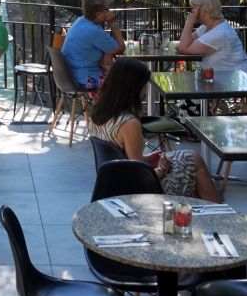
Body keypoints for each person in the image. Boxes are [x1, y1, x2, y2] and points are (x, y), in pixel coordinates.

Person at [87, 58, 222, 202]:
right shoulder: (128, 124)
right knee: (194, 161)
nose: (145, 90)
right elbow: (138, 178)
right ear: (134, 88)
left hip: (113, 183)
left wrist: (145, 159)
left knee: (190, 158)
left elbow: (122, 159)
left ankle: (205, 206)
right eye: (144, 86)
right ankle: (216, 209)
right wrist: (161, 169)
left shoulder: (97, 114)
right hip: (138, 190)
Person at [176, 0, 247, 74]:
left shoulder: (220, 33)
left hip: (238, 79)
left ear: (207, 10)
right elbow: (183, 44)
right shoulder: (206, 27)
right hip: (224, 77)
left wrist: (189, 22)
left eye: (194, 8)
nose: (192, 11)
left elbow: (183, 48)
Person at [61, 0, 124, 89]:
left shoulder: (80, 21)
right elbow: (121, 48)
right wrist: (112, 22)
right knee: (126, 81)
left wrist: (108, 51)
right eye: (107, 9)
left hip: (70, 77)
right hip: (86, 79)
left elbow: (104, 45)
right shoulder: (93, 30)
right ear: (98, 14)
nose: (109, 12)